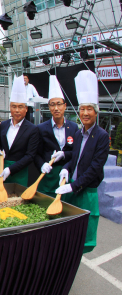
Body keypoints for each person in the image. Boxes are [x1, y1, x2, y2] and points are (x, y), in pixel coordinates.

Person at [56, 70, 109, 253]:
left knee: (84, 236)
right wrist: (65, 168)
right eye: (82, 109)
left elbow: (95, 168)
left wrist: (73, 185)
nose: (85, 113)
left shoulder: (102, 136)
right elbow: (75, 158)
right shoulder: (78, 133)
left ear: (96, 111)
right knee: (69, 231)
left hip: (86, 191)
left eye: (89, 109)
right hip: (74, 187)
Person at [33, 75, 79, 197]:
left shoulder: (74, 128)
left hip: (67, 173)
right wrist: (42, 164)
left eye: (59, 104)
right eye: (52, 105)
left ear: (65, 105)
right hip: (48, 176)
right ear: (49, 107)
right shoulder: (41, 128)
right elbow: (36, 153)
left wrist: (64, 155)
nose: (56, 108)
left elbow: (76, 153)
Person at [0, 75, 40, 186]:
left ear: (26, 109)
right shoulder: (3, 125)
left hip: (20, 172)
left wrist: (10, 169)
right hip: (2, 169)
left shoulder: (32, 129)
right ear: (10, 108)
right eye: (14, 106)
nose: (17, 110)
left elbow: (30, 156)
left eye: (20, 107)